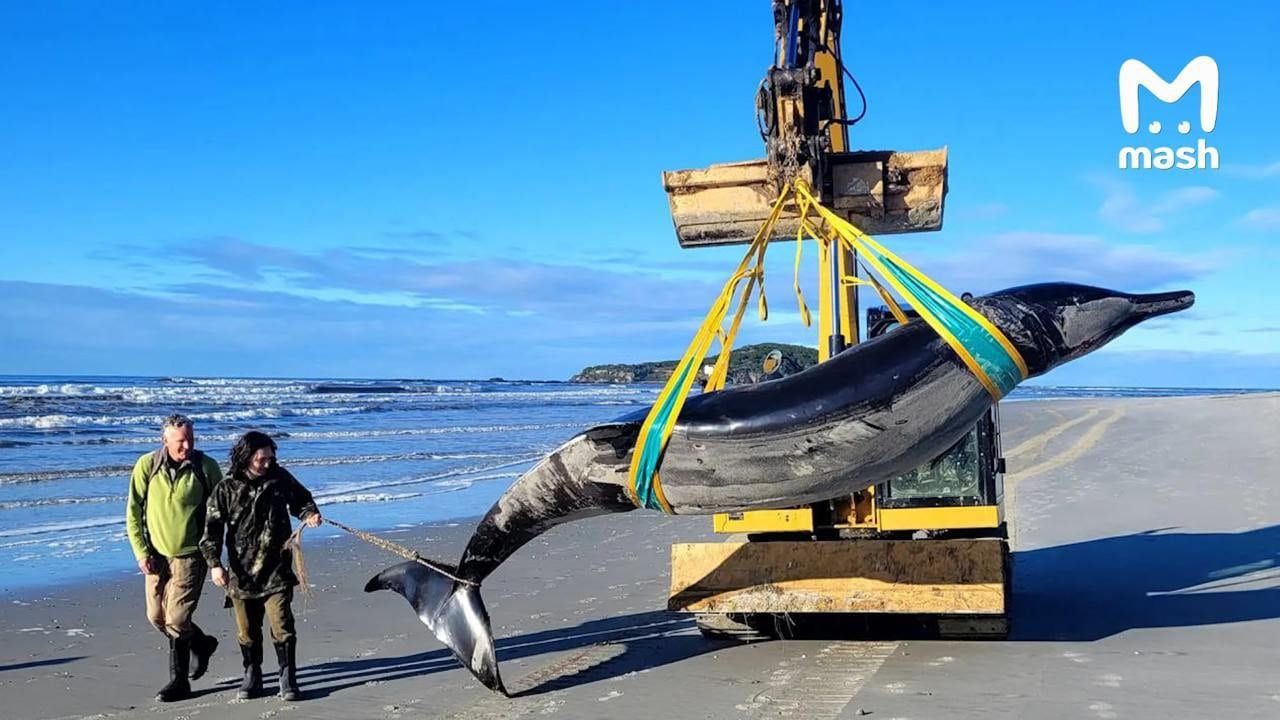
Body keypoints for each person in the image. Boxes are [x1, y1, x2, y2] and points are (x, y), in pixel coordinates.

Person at [200, 431, 322, 701]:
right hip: (241, 574)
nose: (268, 463)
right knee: (247, 631)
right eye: (261, 459)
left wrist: (310, 513)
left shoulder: (279, 478)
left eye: (271, 457)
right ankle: (252, 674)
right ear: (246, 457)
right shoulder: (226, 488)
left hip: (277, 568)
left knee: (282, 624)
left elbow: (301, 500)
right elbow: (211, 530)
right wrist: (215, 565)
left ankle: (287, 677)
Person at [124, 413, 223, 702]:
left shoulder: (206, 467)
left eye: (191, 439)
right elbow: (133, 511)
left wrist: (215, 555)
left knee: (177, 619)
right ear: (164, 440)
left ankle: (179, 682)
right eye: (180, 440)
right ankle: (202, 644)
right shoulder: (147, 465)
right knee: (156, 617)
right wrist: (141, 551)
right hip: (155, 556)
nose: (186, 445)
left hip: (191, 555)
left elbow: (221, 512)